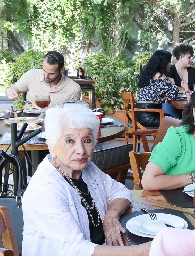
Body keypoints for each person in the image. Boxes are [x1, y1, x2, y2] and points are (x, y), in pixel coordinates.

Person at [22, 103, 151, 255]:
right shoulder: (46, 188)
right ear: (51, 145)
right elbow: (75, 250)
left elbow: (121, 192)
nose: (81, 150)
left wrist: (111, 216)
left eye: (87, 140)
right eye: (69, 141)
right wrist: (143, 251)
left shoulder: (88, 170)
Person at [5, 51, 81, 107]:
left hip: (56, 126)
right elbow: (11, 89)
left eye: (51, 73)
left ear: (62, 70)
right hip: (29, 124)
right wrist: (9, 90)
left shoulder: (73, 89)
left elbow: (72, 116)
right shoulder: (32, 75)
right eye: (44, 70)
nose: (46, 76)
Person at [136, 50, 184, 127]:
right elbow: (173, 95)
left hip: (141, 114)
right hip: (151, 116)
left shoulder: (149, 75)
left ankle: (162, 139)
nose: (170, 64)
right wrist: (172, 82)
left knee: (173, 118)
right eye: (169, 62)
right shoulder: (160, 76)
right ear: (164, 63)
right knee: (178, 123)